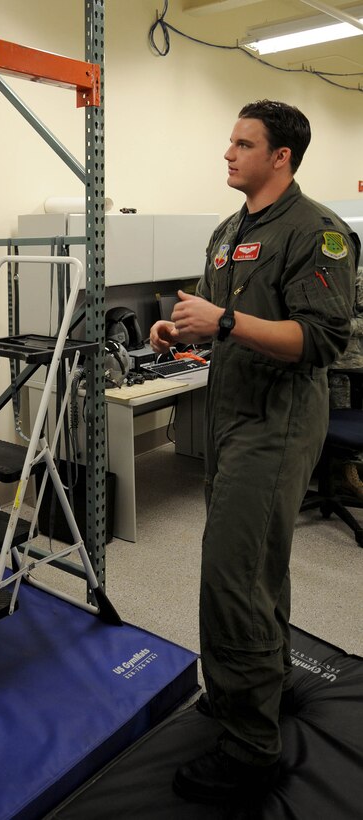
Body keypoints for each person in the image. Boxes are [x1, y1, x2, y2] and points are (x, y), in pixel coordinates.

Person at [150, 100, 359, 804]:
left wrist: (226, 320)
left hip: (278, 423)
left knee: (231, 573)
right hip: (232, 416)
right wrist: (181, 333)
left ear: (280, 157)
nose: (227, 153)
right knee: (257, 563)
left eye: (242, 144)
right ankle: (260, 684)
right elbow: (216, 323)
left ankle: (249, 747)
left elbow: (320, 341)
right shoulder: (225, 234)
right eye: (228, 141)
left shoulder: (317, 233)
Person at [328, 266, 363, 498]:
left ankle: (346, 474)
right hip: (309, 362)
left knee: (343, 420)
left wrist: (340, 327)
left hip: (346, 366)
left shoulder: (357, 277)